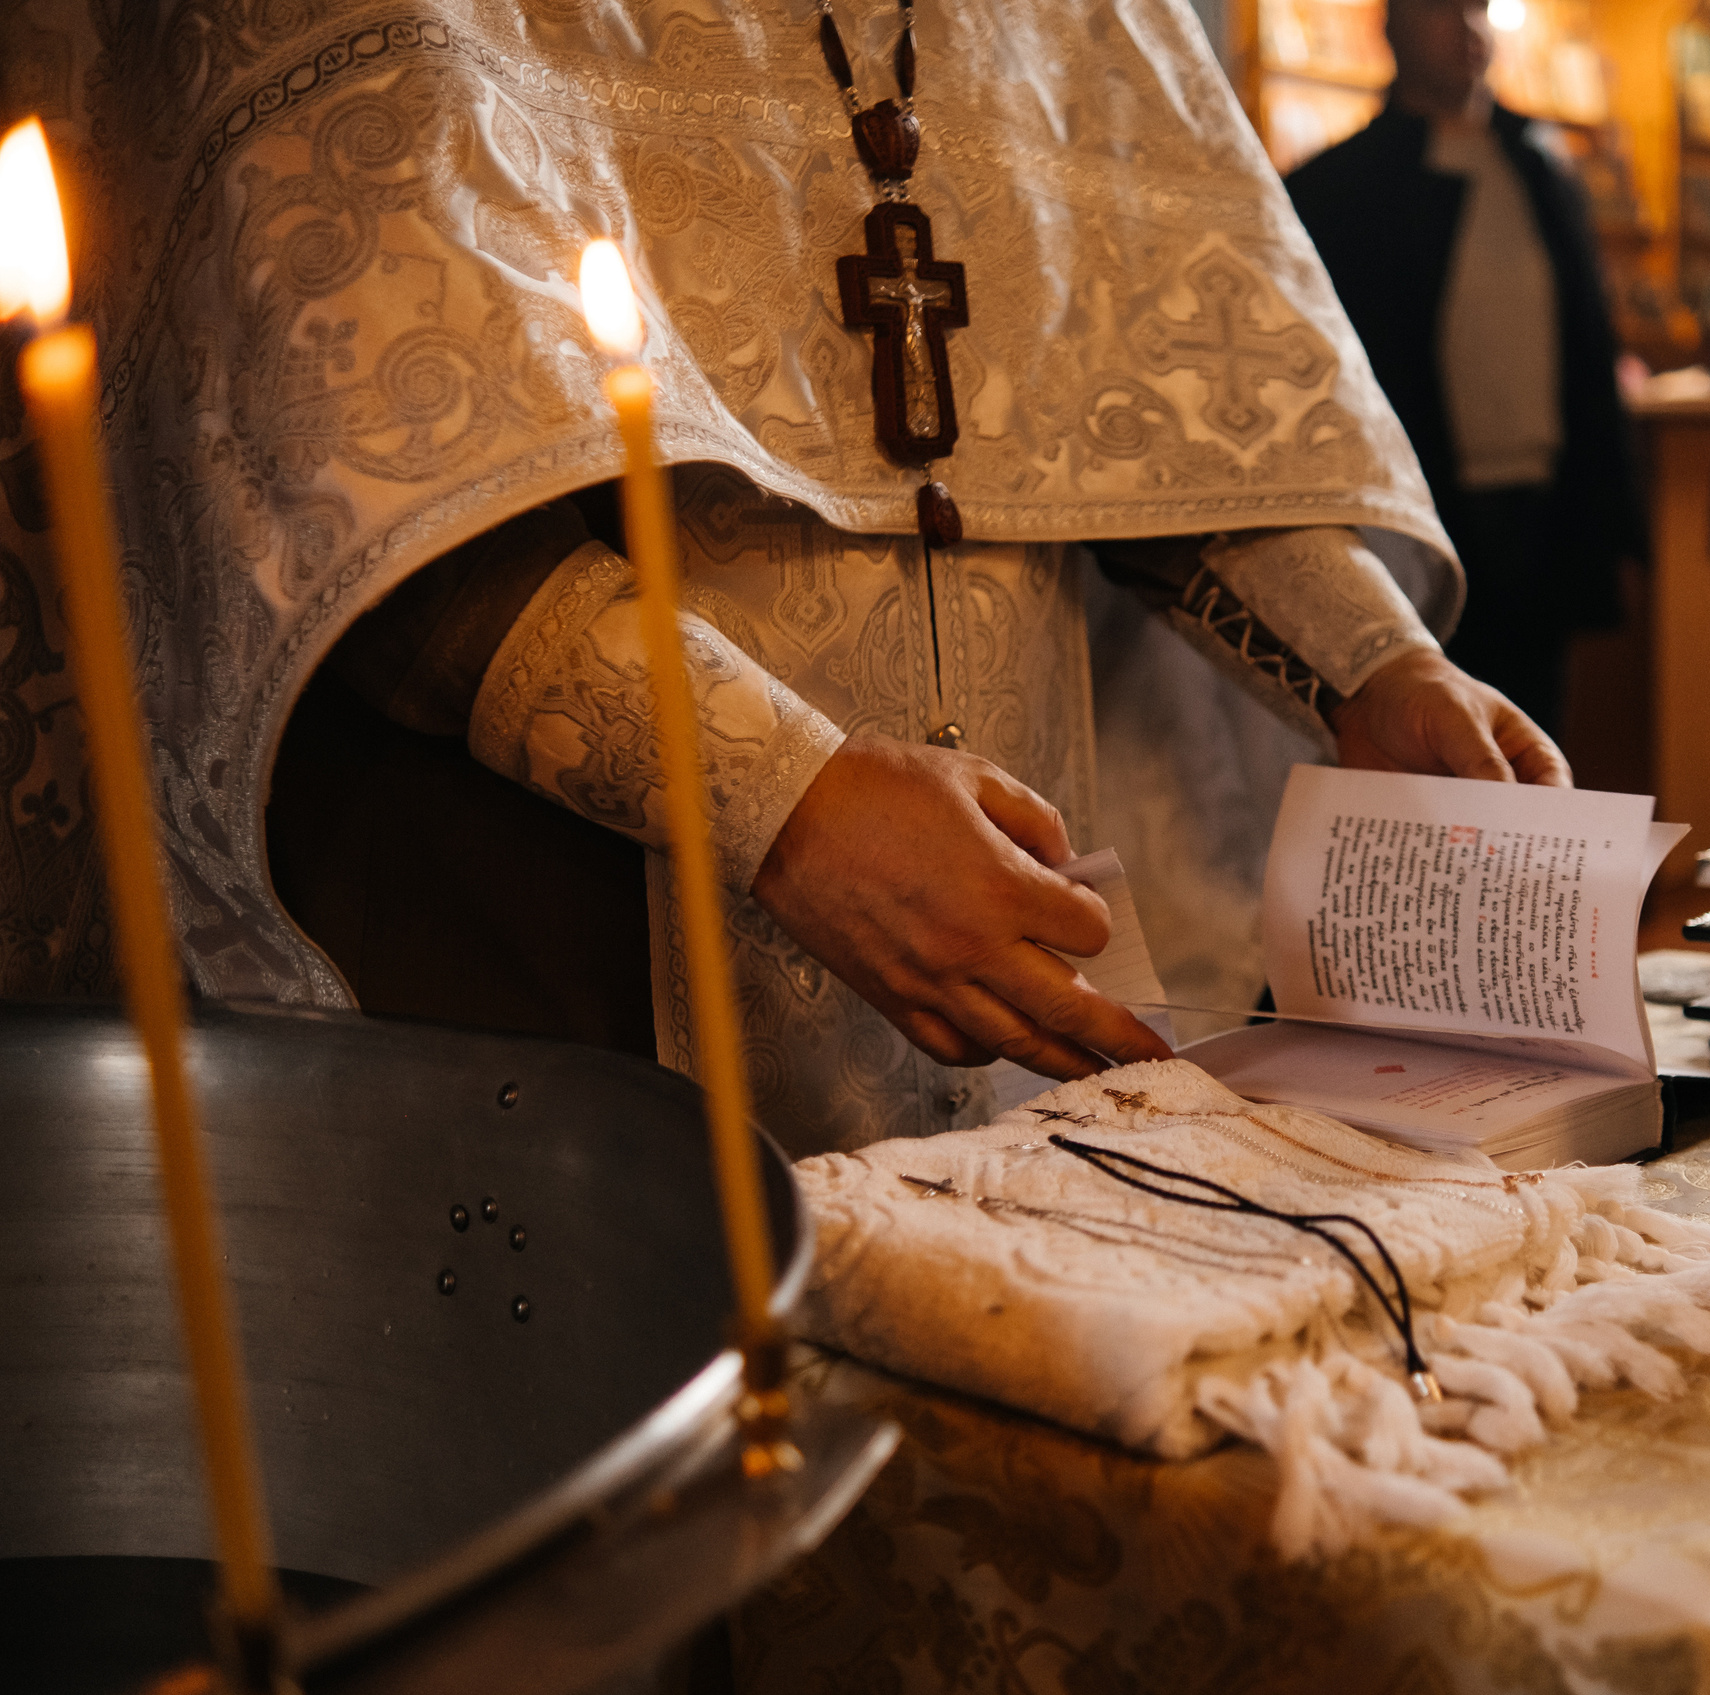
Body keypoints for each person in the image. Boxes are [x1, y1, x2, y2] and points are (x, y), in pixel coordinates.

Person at [0, 0, 1566, 1155]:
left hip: (1037, 915)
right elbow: (314, 457)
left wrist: (1373, 667)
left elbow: (1149, 405)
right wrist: (779, 795)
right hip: (554, 961)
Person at [1285, 0, 1649, 740]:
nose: (1470, 27)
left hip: (1543, 509)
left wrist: (1618, 522)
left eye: (1480, 9)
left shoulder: (1542, 168)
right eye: (1444, 9)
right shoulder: (1336, 189)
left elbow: (1588, 349)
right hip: (1414, 519)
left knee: (1535, 737)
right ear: (1393, 28)